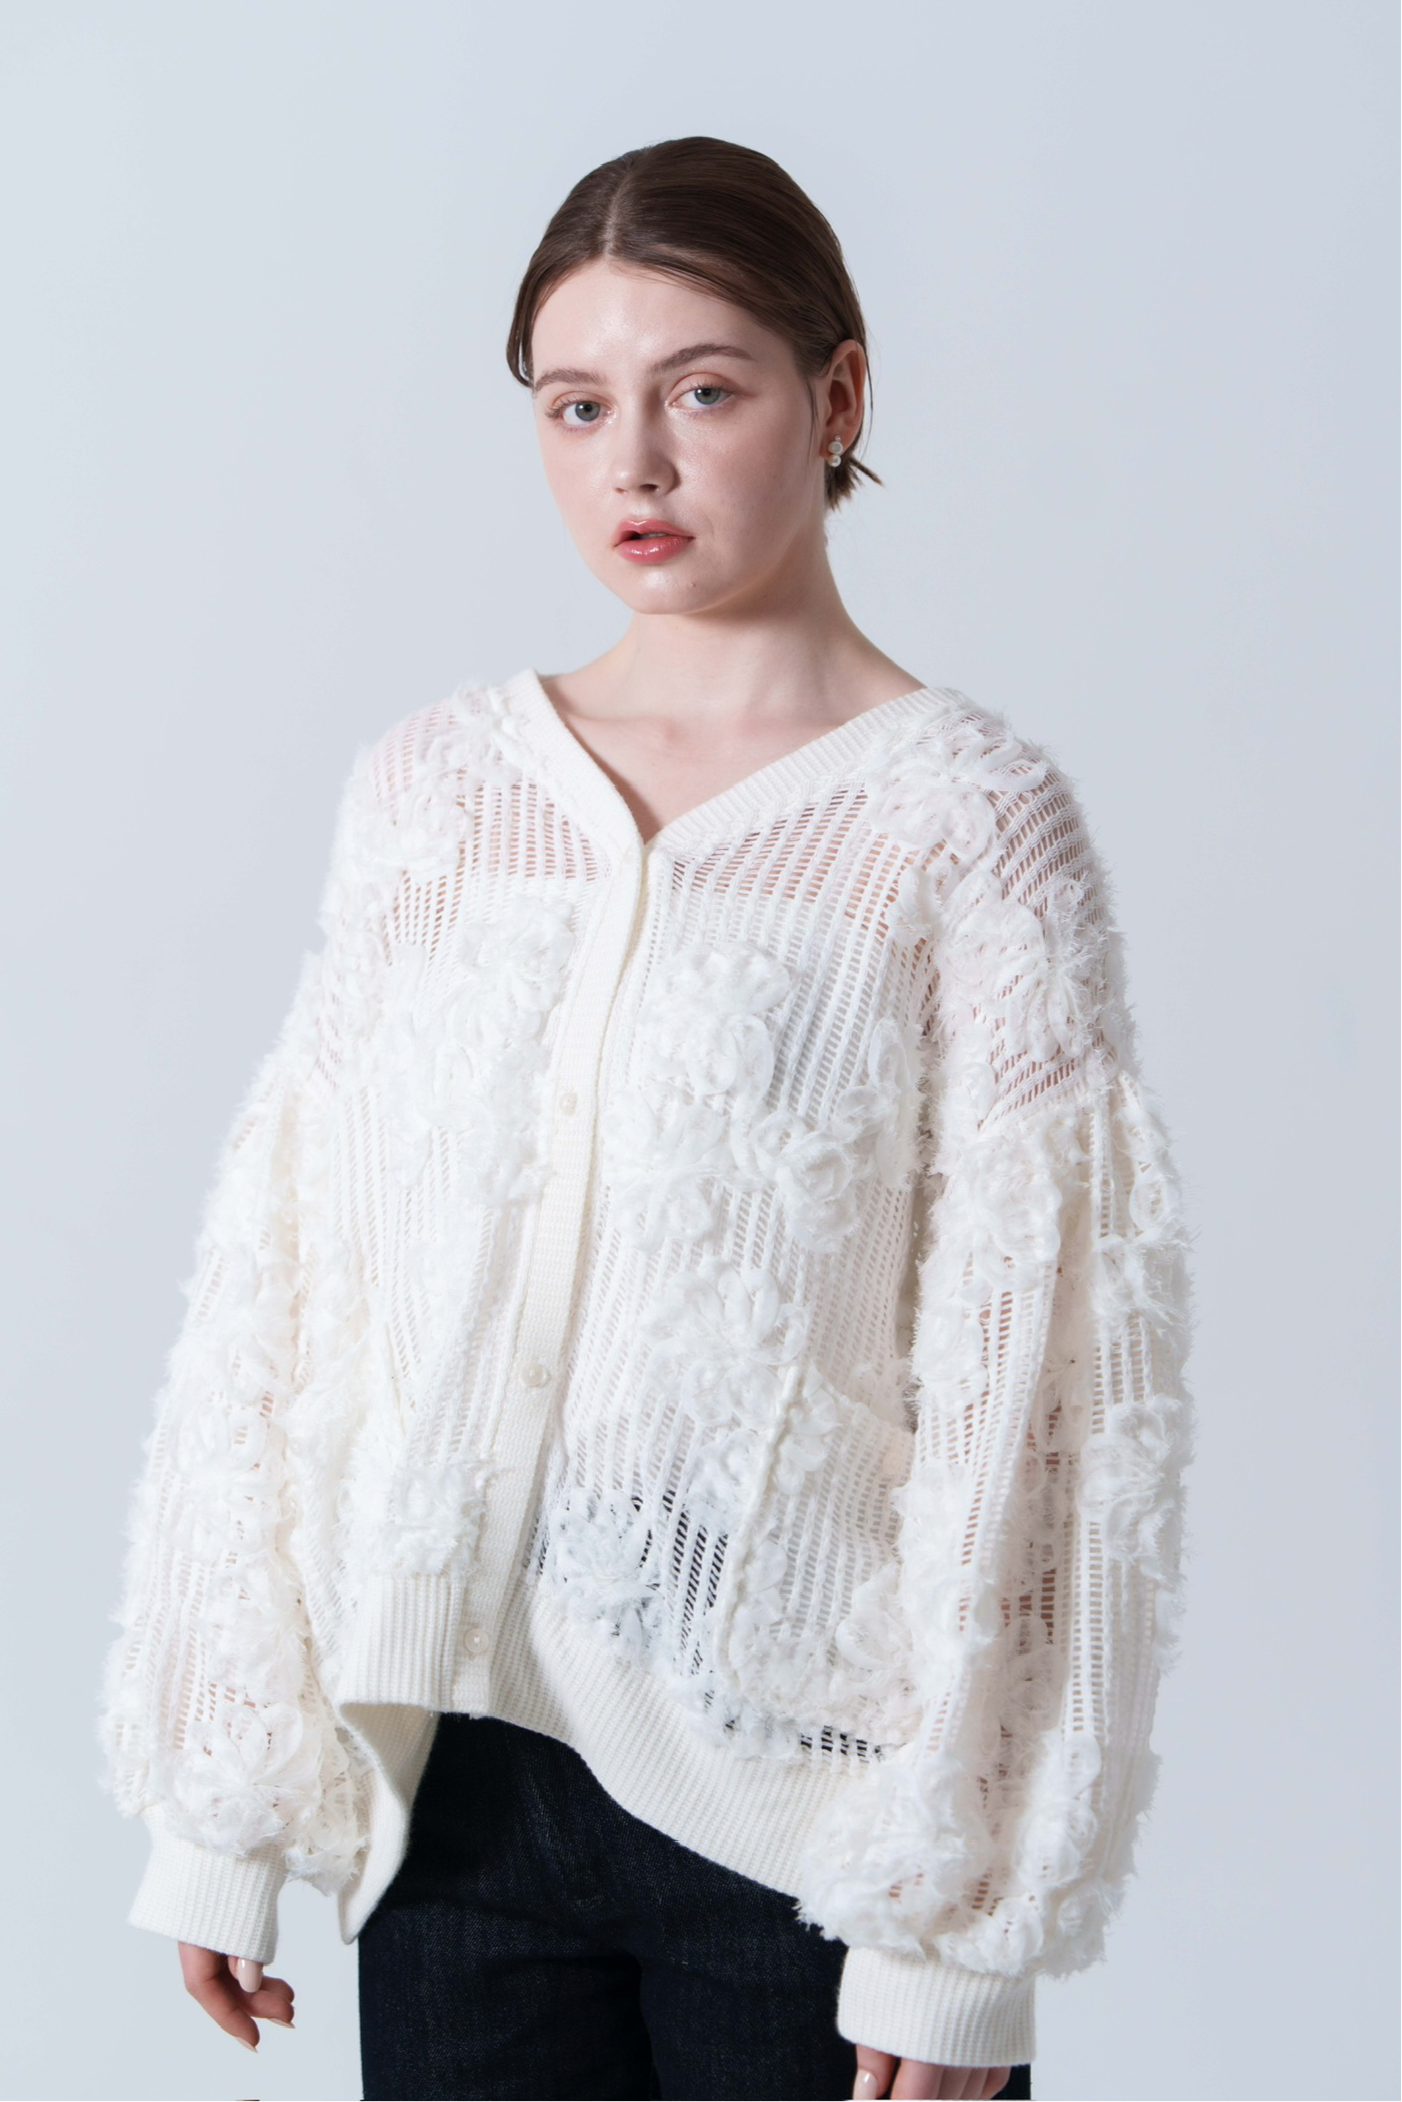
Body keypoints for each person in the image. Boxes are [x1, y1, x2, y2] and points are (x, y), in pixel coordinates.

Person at [97, 136, 1194, 2102]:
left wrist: (952, 1933)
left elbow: (1043, 1388)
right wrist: (223, 1801)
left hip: (805, 1826)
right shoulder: (436, 794)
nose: (638, 465)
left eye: (702, 389)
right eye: (576, 404)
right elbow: (291, 1277)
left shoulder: (960, 825)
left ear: (834, 396)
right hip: (451, 1794)